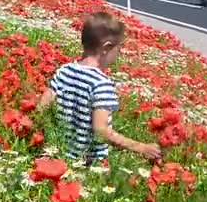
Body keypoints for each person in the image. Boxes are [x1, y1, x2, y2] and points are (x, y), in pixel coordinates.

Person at [37, 11, 161, 165]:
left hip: (59, 156)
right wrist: (140, 147)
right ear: (106, 47)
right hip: (88, 164)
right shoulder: (101, 84)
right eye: (119, 48)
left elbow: (42, 108)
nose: (119, 54)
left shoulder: (64, 71)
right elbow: (101, 131)